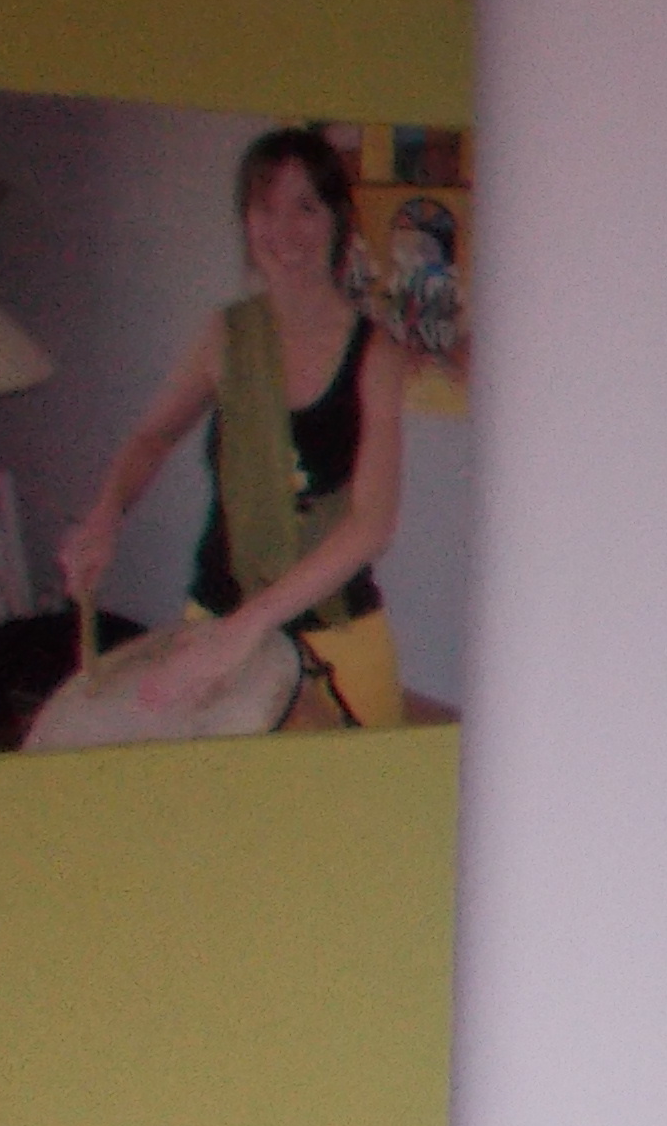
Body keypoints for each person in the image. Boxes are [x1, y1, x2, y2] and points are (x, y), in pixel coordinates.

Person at [57, 124, 411, 728]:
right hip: (217, 616)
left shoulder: (376, 355)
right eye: (265, 208)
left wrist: (247, 629)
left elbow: (371, 525)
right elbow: (152, 438)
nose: (284, 230)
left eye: (305, 207)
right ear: (246, 222)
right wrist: (105, 514)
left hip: (335, 628)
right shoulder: (223, 336)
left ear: (338, 220)